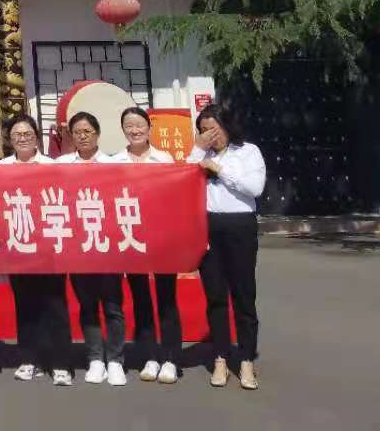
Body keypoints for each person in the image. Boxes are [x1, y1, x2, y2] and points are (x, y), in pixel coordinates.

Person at [188, 103, 266, 391]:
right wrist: (198, 150)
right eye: (203, 130)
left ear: (227, 126)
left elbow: (254, 188)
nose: (210, 135)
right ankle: (220, 357)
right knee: (215, 296)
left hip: (240, 226)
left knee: (244, 296)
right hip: (208, 227)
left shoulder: (248, 152)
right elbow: (183, 179)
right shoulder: (200, 154)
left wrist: (218, 169)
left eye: (214, 128)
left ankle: (246, 359)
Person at [0, 114, 71, 386]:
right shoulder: (1, 168)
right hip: (18, 246)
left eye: (27, 134)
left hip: (48, 246)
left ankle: (61, 363)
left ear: (36, 137)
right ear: (10, 139)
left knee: (55, 305)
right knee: (25, 305)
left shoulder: (51, 166)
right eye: (17, 135)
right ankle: (29, 359)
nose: (22, 139)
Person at [56, 111, 126, 387]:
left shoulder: (114, 164)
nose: (83, 136)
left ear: (97, 134)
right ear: (71, 136)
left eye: (87, 131)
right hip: (77, 245)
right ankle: (95, 358)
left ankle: (116, 360)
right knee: (87, 305)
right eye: (77, 132)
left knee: (112, 306)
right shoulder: (61, 165)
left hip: (107, 244)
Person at [113, 106, 181, 384]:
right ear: (123, 130)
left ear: (149, 127)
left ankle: (171, 358)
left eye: (139, 125)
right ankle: (150, 356)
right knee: (140, 298)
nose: (135, 130)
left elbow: (175, 196)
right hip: (131, 236)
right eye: (129, 126)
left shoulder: (164, 158)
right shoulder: (114, 161)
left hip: (162, 237)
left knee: (167, 298)